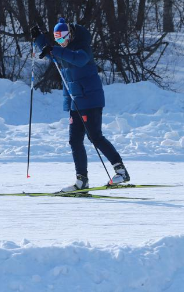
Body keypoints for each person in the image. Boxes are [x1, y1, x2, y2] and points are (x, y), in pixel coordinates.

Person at [32, 18, 130, 192]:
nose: (61, 43)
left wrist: (54, 49)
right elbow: (51, 53)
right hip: (75, 101)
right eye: (58, 40)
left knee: (95, 137)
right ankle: (81, 180)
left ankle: (120, 171)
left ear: (70, 34)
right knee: (74, 140)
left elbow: (78, 60)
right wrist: (39, 39)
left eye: (63, 39)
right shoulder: (63, 50)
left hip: (90, 99)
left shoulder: (82, 47)